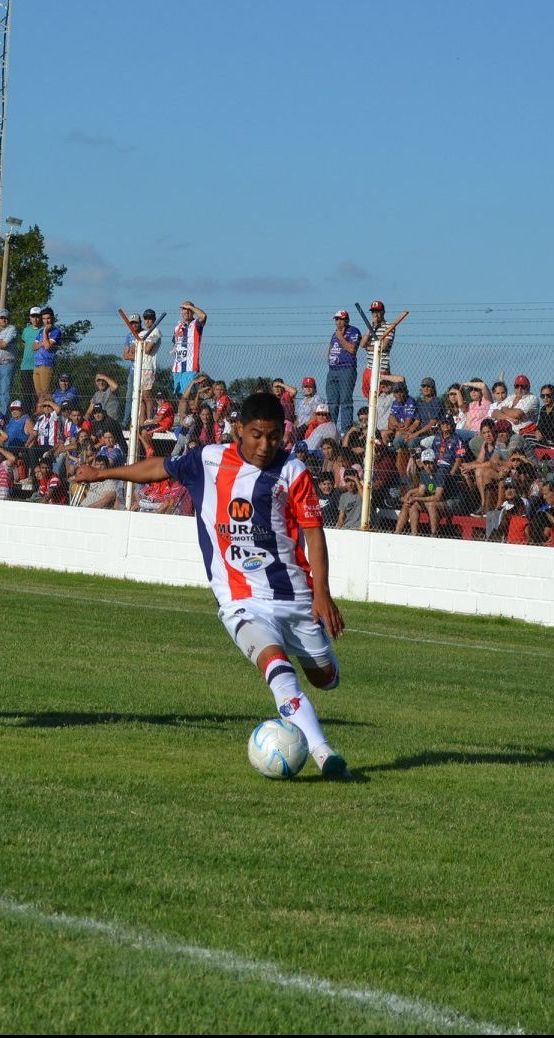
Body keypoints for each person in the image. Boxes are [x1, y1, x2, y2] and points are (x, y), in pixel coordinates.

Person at [69, 390, 350, 778]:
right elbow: (158, 468)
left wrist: (322, 593)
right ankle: (324, 755)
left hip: (295, 595)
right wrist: (102, 474)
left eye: (273, 436)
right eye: (256, 435)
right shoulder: (208, 459)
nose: (265, 445)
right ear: (238, 430)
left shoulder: (293, 471)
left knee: (325, 678)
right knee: (278, 670)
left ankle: (320, 679)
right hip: (239, 600)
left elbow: (314, 534)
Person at [324, 310, 361, 431]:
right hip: (333, 370)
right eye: (336, 319)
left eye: (341, 319)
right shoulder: (334, 334)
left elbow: (352, 349)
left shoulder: (353, 331)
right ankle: (331, 428)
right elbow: (330, 349)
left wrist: (341, 337)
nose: (338, 322)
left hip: (346, 368)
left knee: (345, 400)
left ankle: (345, 430)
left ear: (347, 320)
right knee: (332, 402)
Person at [170, 300, 208, 398]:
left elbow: (203, 316)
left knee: (188, 396)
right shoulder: (178, 327)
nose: (186, 311)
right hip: (177, 367)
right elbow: (175, 342)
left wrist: (191, 307)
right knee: (178, 395)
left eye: (188, 309)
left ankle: (188, 413)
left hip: (190, 367)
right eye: (183, 309)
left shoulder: (196, 324)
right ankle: (180, 413)